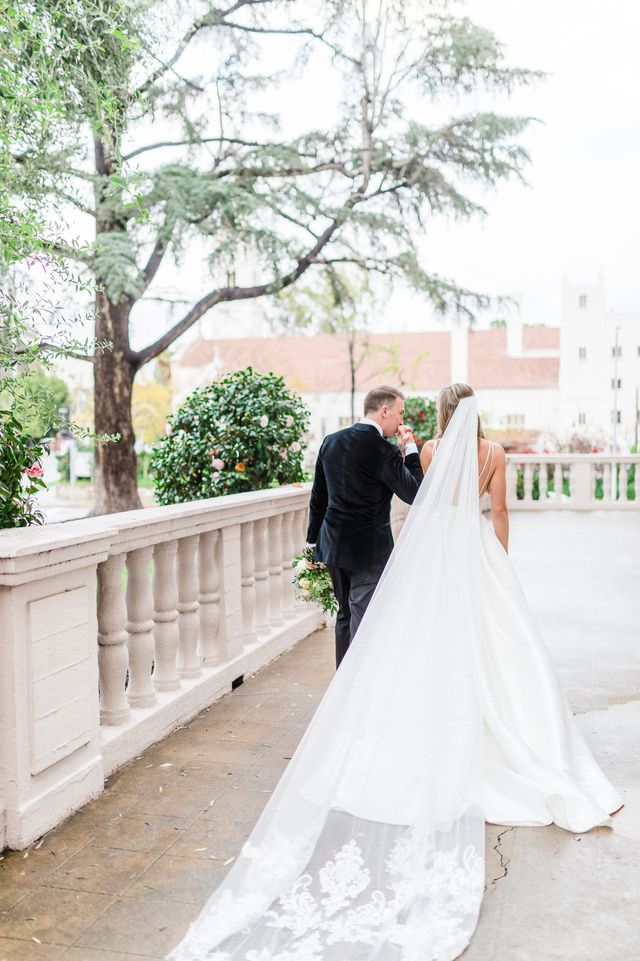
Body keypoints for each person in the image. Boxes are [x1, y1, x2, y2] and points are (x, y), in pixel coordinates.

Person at [167, 384, 622, 961]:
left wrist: (407, 454)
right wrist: (498, 564)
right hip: (470, 552)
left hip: (404, 552)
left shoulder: (414, 448)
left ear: (438, 415)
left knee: (395, 634)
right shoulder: (495, 455)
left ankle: (376, 696)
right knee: (499, 650)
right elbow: (496, 511)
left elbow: (421, 505)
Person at [306, 385, 424, 667]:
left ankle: (342, 687)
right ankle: (357, 691)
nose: (401, 422)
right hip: (369, 552)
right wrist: (409, 449)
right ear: (384, 411)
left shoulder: (330, 441)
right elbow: (416, 492)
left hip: (333, 546)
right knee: (366, 618)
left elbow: (318, 498)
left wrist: (312, 543)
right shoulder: (382, 450)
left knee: (344, 616)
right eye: (399, 414)